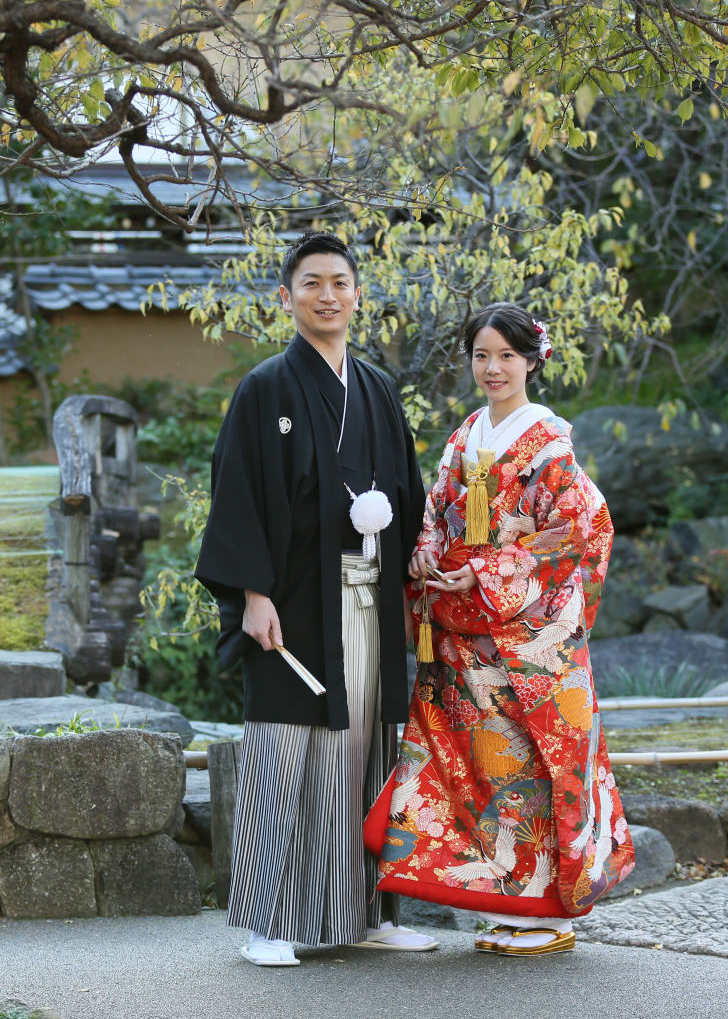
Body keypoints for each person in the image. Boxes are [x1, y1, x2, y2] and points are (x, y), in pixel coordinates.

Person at [364, 302, 635, 956]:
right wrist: (428, 554)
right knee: (484, 772)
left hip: (525, 639)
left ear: (533, 361)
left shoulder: (548, 442)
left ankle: (551, 916)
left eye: (507, 357)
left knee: (532, 768)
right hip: (466, 637)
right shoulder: (467, 436)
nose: (493, 368)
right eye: (482, 355)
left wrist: (487, 572)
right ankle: (513, 905)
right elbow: (437, 512)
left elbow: (580, 530)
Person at [195, 232, 436, 966]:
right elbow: (237, 495)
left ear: (358, 294)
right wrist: (252, 595)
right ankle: (269, 922)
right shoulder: (266, 387)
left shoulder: (377, 388)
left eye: (340, 281)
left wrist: (411, 584)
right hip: (295, 603)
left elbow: (407, 495)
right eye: (311, 283)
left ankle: (370, 912)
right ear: (286, 297)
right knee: (285, 754)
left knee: (370, 755)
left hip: (368, 598)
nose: (327, 295)